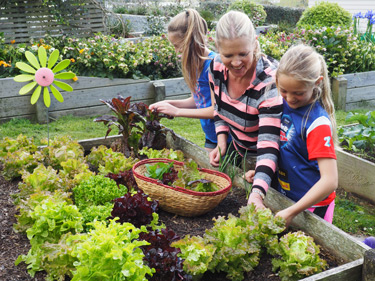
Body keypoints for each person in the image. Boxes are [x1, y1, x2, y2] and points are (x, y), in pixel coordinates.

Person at [208, 11, 283, 208]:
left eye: (243, 54)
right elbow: (219, 109)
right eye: (228, 55)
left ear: (255, 43)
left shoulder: (268, 83)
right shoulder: (215, 67)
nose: (236, 62)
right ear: (217, 49)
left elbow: (269, 144)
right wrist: (222, 141)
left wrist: (258, 193)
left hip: (271, 167)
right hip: (240, 155)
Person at [274, 44, 338, 226]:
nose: (290, 98)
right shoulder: (283, 104)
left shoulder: (317, 123)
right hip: (287, 196)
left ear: (317, 83)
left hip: (313, 206)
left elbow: (330, 180)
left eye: (298, 93)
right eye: (284, 90)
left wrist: (293, 211)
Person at [149, 9, 222, 151]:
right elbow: (198, 100)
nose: (176, 51)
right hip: (211, 136)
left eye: (177, 45)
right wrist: (168, 103)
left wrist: (177, 111)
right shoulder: (195, 65)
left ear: (191, 40)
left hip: (228, 138)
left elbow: (216, 110)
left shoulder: (214, 65)